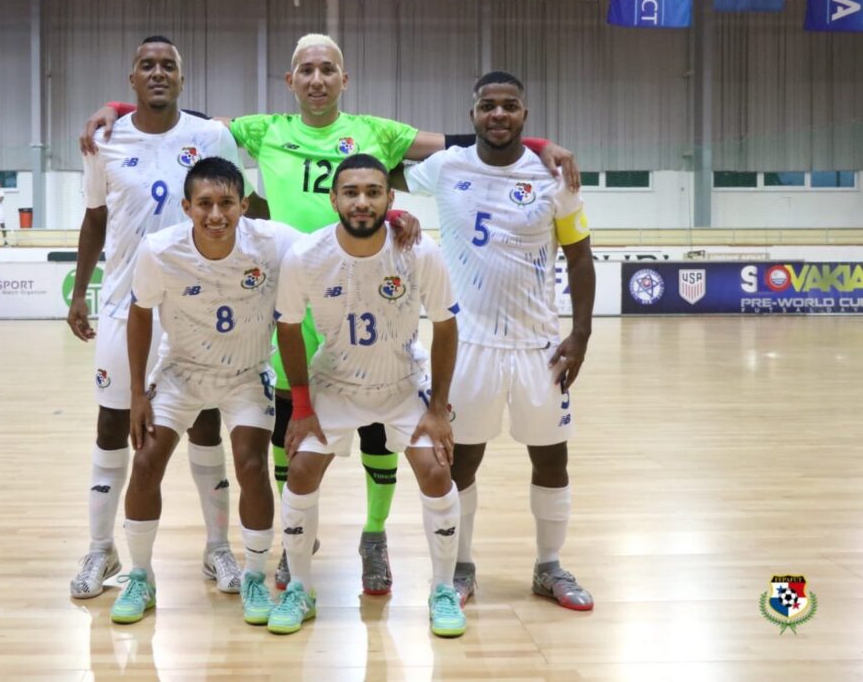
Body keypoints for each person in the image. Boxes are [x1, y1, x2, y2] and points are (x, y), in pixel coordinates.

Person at [80, 34, 580, 596]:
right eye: (306, 70)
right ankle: (298, 544)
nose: (317, 79)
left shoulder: (378, 132)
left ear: (345, 79)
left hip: (366, 291)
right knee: (290, 427)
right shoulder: (264, 130)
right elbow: (179, 119)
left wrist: (536, 144)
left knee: (377, 433)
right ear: (290, 81)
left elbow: (470, 139)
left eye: (327, 70)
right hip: (291, 292)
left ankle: (375, 535)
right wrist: (119, 107)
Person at [403, 71, 596, 611]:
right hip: (467, 346)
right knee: (461, 461)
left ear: (524, 115)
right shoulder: (447, 166)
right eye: (488, 105)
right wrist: (392, 210)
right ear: (472, 115)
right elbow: (381, 170)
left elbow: (580, 257)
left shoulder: (553, 177)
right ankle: (461, 567)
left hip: (539, 347)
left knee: (551, 460)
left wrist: (580, 334)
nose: (498, 114)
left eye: (510, 106)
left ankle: (549, 567)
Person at [68, 36, 249, 602]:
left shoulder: (210, 136)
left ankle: (218, 548)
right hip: (124, 306)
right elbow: (95, 219)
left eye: (168, 65)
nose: (158, 72)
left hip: (195, 307)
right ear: (132, 78)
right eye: (147, 65)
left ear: (182, 78)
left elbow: (247, 211)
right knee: (112, 425)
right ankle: (101, 548)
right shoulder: (104, 141)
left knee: (204, 425)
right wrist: (80, 291)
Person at [268, 153, 464, 637]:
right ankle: (301, 588)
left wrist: (439, 408)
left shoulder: (419, 251)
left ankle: (442, 589)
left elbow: (445, 326)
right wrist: (302, 407)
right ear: (333, 199)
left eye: (373, 192)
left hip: (402, 383)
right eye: (351, 192)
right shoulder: (306, 255)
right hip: (336, 383)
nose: (362, 202)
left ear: (390, 199)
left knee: (437, 470)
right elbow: (288, 329)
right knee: (301, 469)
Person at [112, 157, 301, 626]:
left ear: (244, 205)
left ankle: (253, 576)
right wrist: (137, 394)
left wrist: (396, 219)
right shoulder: (160, 250)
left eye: (226, 203)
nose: (216, 214)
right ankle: (140, 576)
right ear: (187, 207)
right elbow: (140, 314)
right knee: (146, 461)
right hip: (181, 372)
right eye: (205, 204)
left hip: (246, 373)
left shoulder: (274, 242)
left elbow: (332, 242)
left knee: (252, 465)